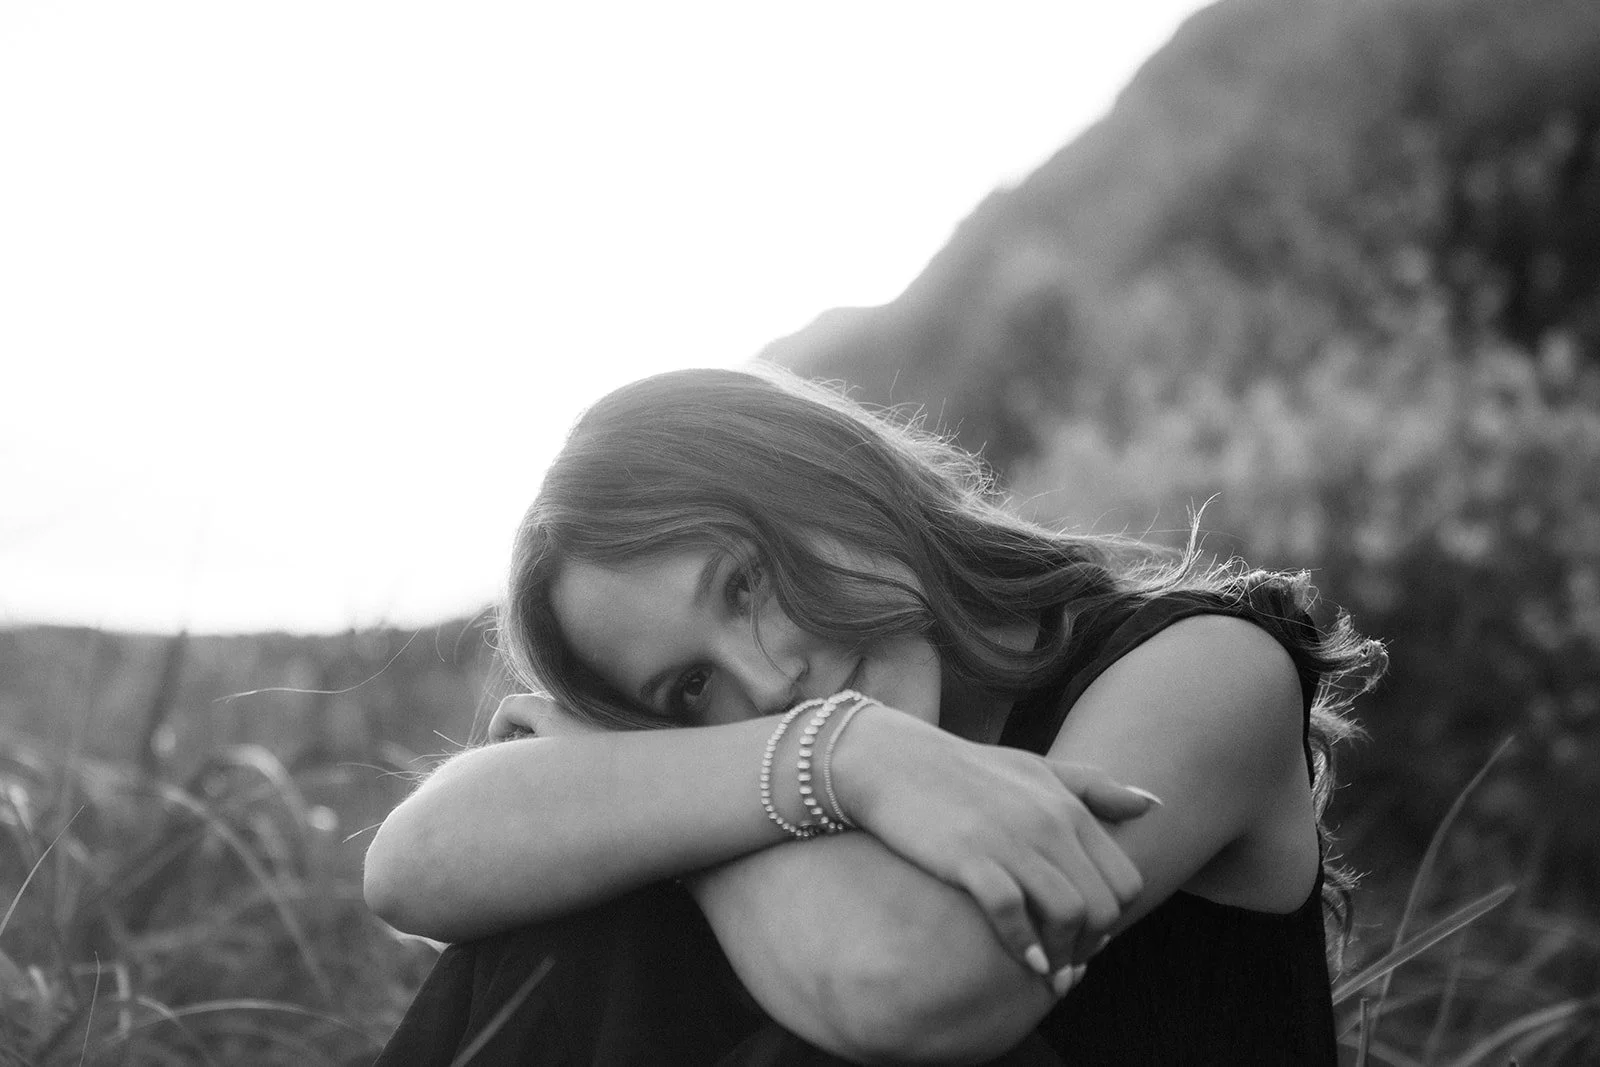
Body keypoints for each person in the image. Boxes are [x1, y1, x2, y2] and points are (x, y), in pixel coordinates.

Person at [364, 365, 1384, 1064]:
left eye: (743, 582)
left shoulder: (1204, 665)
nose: (764, 683)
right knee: (565, 937)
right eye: (687, 689)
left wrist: (681, 794)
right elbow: (407, 865)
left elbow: (910, 982)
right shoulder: (799, 758)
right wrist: (828, 756)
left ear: (826, 475)